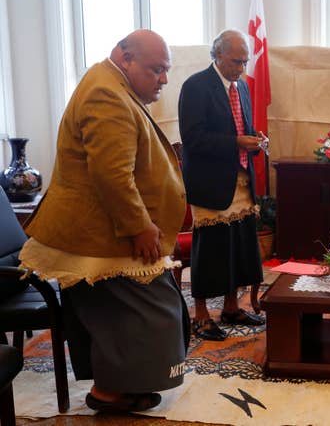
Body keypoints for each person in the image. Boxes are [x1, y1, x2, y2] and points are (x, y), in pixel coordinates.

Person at [18, 30, 189, 412]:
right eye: (156, 69)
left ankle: (120, 386)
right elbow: (112, 175)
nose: (163, 79)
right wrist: (139, 227)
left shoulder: (111, 82)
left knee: (122, 316)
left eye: (166, 70)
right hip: (102, 234)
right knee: (145, 311)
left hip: (102, 230)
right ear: (124, 58)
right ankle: (111, 392)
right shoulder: (106, 93)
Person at [178, 29, 265, 341]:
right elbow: (193, 138)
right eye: (235, 61)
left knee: (238, 247)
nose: (241, 68)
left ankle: (231, 307)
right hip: (209, 183)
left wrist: (255, 140)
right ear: (216, 56)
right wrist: (237, 142)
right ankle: (200, 316)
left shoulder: (240, 87)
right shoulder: (196, 86)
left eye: (244, 62)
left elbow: (245, 128)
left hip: (239, 180)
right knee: (211, 251)